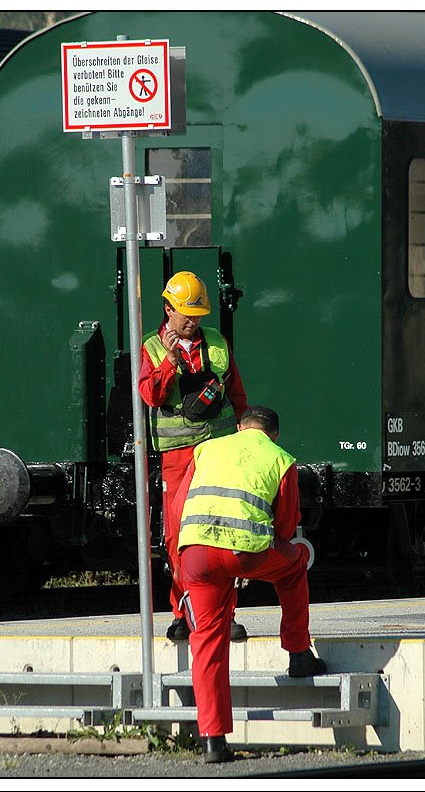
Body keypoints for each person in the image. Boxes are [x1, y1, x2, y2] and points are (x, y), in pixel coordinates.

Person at [173, 405, 326, 763]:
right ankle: (299, 653)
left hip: (196, 554)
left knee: (207, 643)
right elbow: (287, 527)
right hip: (245, 552)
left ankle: (213, 741)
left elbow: (179, 508)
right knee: (294, 566)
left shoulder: (206, 448)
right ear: (273, 434)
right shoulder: (281, 459)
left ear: (240, 427)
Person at [139, 271, 249, 641]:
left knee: (221, 533)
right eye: (187, 313)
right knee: (177, 539)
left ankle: (224, 614)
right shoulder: (152, 347)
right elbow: (151, 395)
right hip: (178, 457)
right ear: (168, 309)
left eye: (199, 314)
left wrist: (245, 439)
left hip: (217, 453)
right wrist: (170, 360)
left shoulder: (217, 343)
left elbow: (237, 395)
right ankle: (183, 613)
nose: (194, 321)